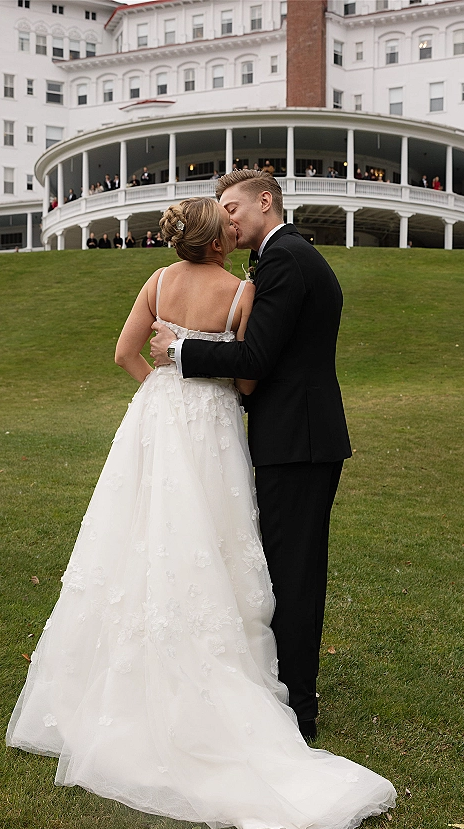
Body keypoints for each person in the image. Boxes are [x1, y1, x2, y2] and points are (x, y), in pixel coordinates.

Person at [6, 196, 396, 829]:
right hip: (212, 429)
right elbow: (247, 379)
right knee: (215, 541)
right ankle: (248, 678)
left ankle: (124, 676)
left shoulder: (156, 281)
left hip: (157, 421)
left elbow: (127, 353)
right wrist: (207, 386)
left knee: (140, 535)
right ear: (221, 242)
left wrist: (160, 385)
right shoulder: (240, 287)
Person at [151, 169, 347, 740]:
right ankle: (286, 689)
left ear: (266, 202)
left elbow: (256, 358)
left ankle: (298, 711)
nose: (225, 218)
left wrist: (180, 349)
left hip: (297, 441)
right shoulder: (287, 255)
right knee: (288, 568)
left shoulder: (285, 259)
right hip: (296, 436)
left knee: (292, 573)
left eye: (232, 207)